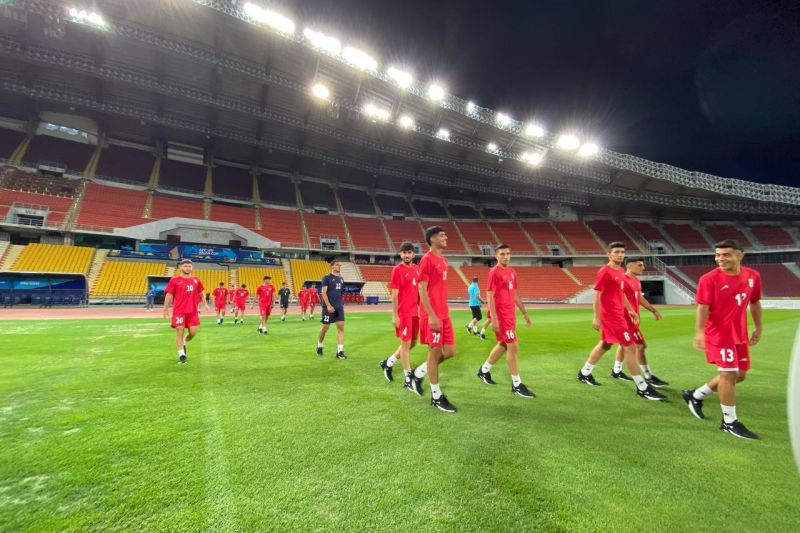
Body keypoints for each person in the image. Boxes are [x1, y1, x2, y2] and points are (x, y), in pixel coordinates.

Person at [682, 240, 763, 440]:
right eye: (718, 255)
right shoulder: (709, 279)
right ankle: (729, 422)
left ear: (740, 255)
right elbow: (702, 307)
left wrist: (758, 327)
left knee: (740, 375)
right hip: (718, 334)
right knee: (728, 374)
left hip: (739, 333)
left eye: (726, 254)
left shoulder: (753, 276)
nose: (720, 259)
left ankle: (696, 395)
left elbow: (754, 302)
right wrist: (699, 332)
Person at [576, 242, 665, 400]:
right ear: (609, 254)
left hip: (619, 314)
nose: (620, 255)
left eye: (622, 252)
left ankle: (584, 373)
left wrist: (630, 309)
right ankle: (642, 387)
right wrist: (596, 317)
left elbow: (620, 293)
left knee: (605, 344)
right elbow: (597, 294)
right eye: (616, 252)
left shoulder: (620, 271)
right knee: (630, 347)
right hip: (611, 316)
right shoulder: (605, 271)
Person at [476, 244, 535, 398]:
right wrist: (494, 318)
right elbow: (489, 295)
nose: (505, 257)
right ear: (496, 256)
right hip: (501, 315)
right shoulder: (494, 272)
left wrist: (524, 313)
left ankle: (484, 370)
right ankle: (517, 384)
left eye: (508, 253)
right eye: (502, 254)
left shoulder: (512, 272)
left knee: (503, 344)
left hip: (510, 314)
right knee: (513, 346)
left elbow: (514, 293)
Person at [410, 226, 457, 413]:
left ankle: (419, 372)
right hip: (432, 315)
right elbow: (421, 289)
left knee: (450, 352)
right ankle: (436, 397)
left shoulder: (444, 260)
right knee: (435, 352)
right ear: (432, 239)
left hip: (444, 314)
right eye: (442, 235)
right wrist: (431, 315)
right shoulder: (427, 260)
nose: (446, 237)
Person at [609, 257, 669, 387]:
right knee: (641, 346)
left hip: (634, 319)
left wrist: (653, 310)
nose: (643, 267)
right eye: (640, 265)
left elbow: (640, 299)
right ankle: (648, 376)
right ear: (630, 266)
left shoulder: (636, 281)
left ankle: (616, 370)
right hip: (626, 320)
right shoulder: (622, 280)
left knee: (624, 345)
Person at [380, 242, 421, 392]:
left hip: (415, 313)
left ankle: (388, 363)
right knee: (405, 345)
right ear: (400, 254)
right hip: (403, 313)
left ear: (413, 254)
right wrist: (395, 315)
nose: (407, 255)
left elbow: (419, 291)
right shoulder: (397, 270)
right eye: (404, 252)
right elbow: (395, 294)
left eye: (409, 252)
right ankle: (408, 378)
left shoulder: (417, 269)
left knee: (413, 343)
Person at [162, 259, 208, 363]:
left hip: (192, 311)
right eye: (185, 266)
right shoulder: (174, 280)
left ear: (192, 268)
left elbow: (201, 293)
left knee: (193, 333)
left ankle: (184, 341)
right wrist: (165, 309)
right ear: (180, 267)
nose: (187, 268)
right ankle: (181, 354)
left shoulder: (196, 280)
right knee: (180, 330)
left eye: (189, 266)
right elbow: (169, 294)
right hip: (179, 311)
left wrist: (205, 304)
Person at [316, 260, 346, 359]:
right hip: (328, 307)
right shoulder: (327, 277)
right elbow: (324, 293)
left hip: (338, 307)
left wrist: (340, 304)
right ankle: (319, 345)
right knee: (325, 327)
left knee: (341, 328)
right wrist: (328, 305)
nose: (339, 266)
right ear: (332, 266)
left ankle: (340, 351)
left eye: (340, 265)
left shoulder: (341, 279)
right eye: (337, 265)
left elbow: (341, 293)